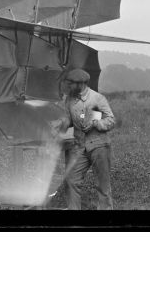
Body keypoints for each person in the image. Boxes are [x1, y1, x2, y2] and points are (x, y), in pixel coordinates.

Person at [50, 68, 115, 210]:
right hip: (79, 146)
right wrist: (60, 125)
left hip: (99, 145)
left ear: (80, 84)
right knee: (71, 180)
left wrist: (97, 123)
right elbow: (68, 119)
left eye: (70, 84)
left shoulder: (97, 98)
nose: (68, 87)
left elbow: (111, 119)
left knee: (102, 185)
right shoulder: (69, 99)